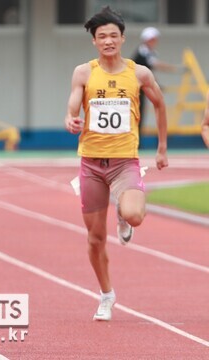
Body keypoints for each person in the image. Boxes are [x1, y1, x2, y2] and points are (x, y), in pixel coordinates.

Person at [64, 7, 168, 321]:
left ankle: (122, 214)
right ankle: (106, 295)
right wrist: (70, 117)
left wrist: (161, 148)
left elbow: (160, 104)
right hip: (92, 165)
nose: (108, 41)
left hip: (125, 162)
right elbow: (72, 102)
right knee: (95, 238)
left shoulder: (139, 73)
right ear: (95, 41)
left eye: (113, 35)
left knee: (135, 214)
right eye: (102, 36)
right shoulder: (84, 72)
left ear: (122, 38)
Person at [131, 26, 180, 134]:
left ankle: (137, 140)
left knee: (140, 113)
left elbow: (149, 71)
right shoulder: (143, 52)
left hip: (141, 86)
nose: (154, 42)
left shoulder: (149, 52)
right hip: (134, 87)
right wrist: (174, 68)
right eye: (152, 39)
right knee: (135, 113)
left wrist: (156, 84)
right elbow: (154, 66)